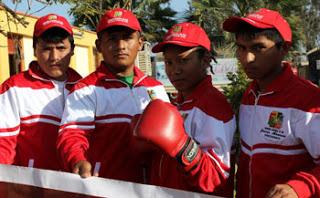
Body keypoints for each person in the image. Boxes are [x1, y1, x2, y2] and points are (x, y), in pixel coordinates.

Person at [56, 8, 170, 183]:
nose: (121, 46)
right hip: (105, 189)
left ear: (140, 43)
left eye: (127, 37)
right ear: (99, 45)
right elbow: (72, 134)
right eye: (112, 39)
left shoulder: (156, 88)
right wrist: (77, 159)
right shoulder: (85, 89)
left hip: (151, 190)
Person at [223, 8, 320, 198]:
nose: (247, 58)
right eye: (241, 48)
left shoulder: (309, 100)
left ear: (284, 48)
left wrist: (299, 188)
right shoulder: (249, 95)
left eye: (258, 48)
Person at [134, 22, 236, 196]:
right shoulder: (178, 104)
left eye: (183, 60)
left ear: (205, 60)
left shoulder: (213, 107)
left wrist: (181, 146)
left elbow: (216, 178)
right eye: (169, 62)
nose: (175, 70)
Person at [0, 14, 81, 170]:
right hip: (29, 188)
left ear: (72, 50)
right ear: (35, 50)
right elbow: (3, 143)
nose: (54, 57)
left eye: (61, 48)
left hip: (75, 188)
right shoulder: (14, 88)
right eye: (46, 49)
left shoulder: (84, 88)